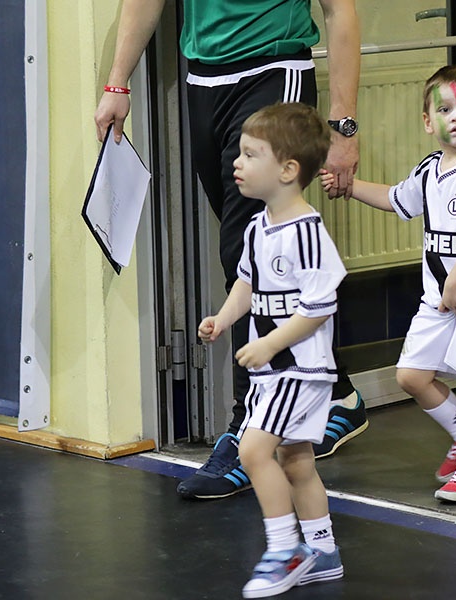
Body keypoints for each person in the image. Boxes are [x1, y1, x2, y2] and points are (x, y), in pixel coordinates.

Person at [93, 0, 368, 501]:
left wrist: (343, 127)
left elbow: (339, 10)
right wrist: (117, 82)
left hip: (273, 69)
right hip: (204, 79)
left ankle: (250, 429)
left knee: (244, 251)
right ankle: (336, 392)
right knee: (254, 254)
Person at [321, 65, 456, 503]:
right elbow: (396, 198)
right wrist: (349, 188)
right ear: (429, 122)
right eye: (445, 108)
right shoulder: (430, 168)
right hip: (440, 300)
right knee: (410, 376)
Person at [198, 102, 345, 597]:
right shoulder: (258, 228)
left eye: (250, 154)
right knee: (296, 459)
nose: (236, 163)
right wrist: (223, 319)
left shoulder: (307, 232)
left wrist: (269, 344)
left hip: (298, 369)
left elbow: (320, 306)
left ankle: (286, 548)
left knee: (254, 448)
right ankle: (323, 552)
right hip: (275, 370)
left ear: (287, 170)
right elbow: (247, 284)